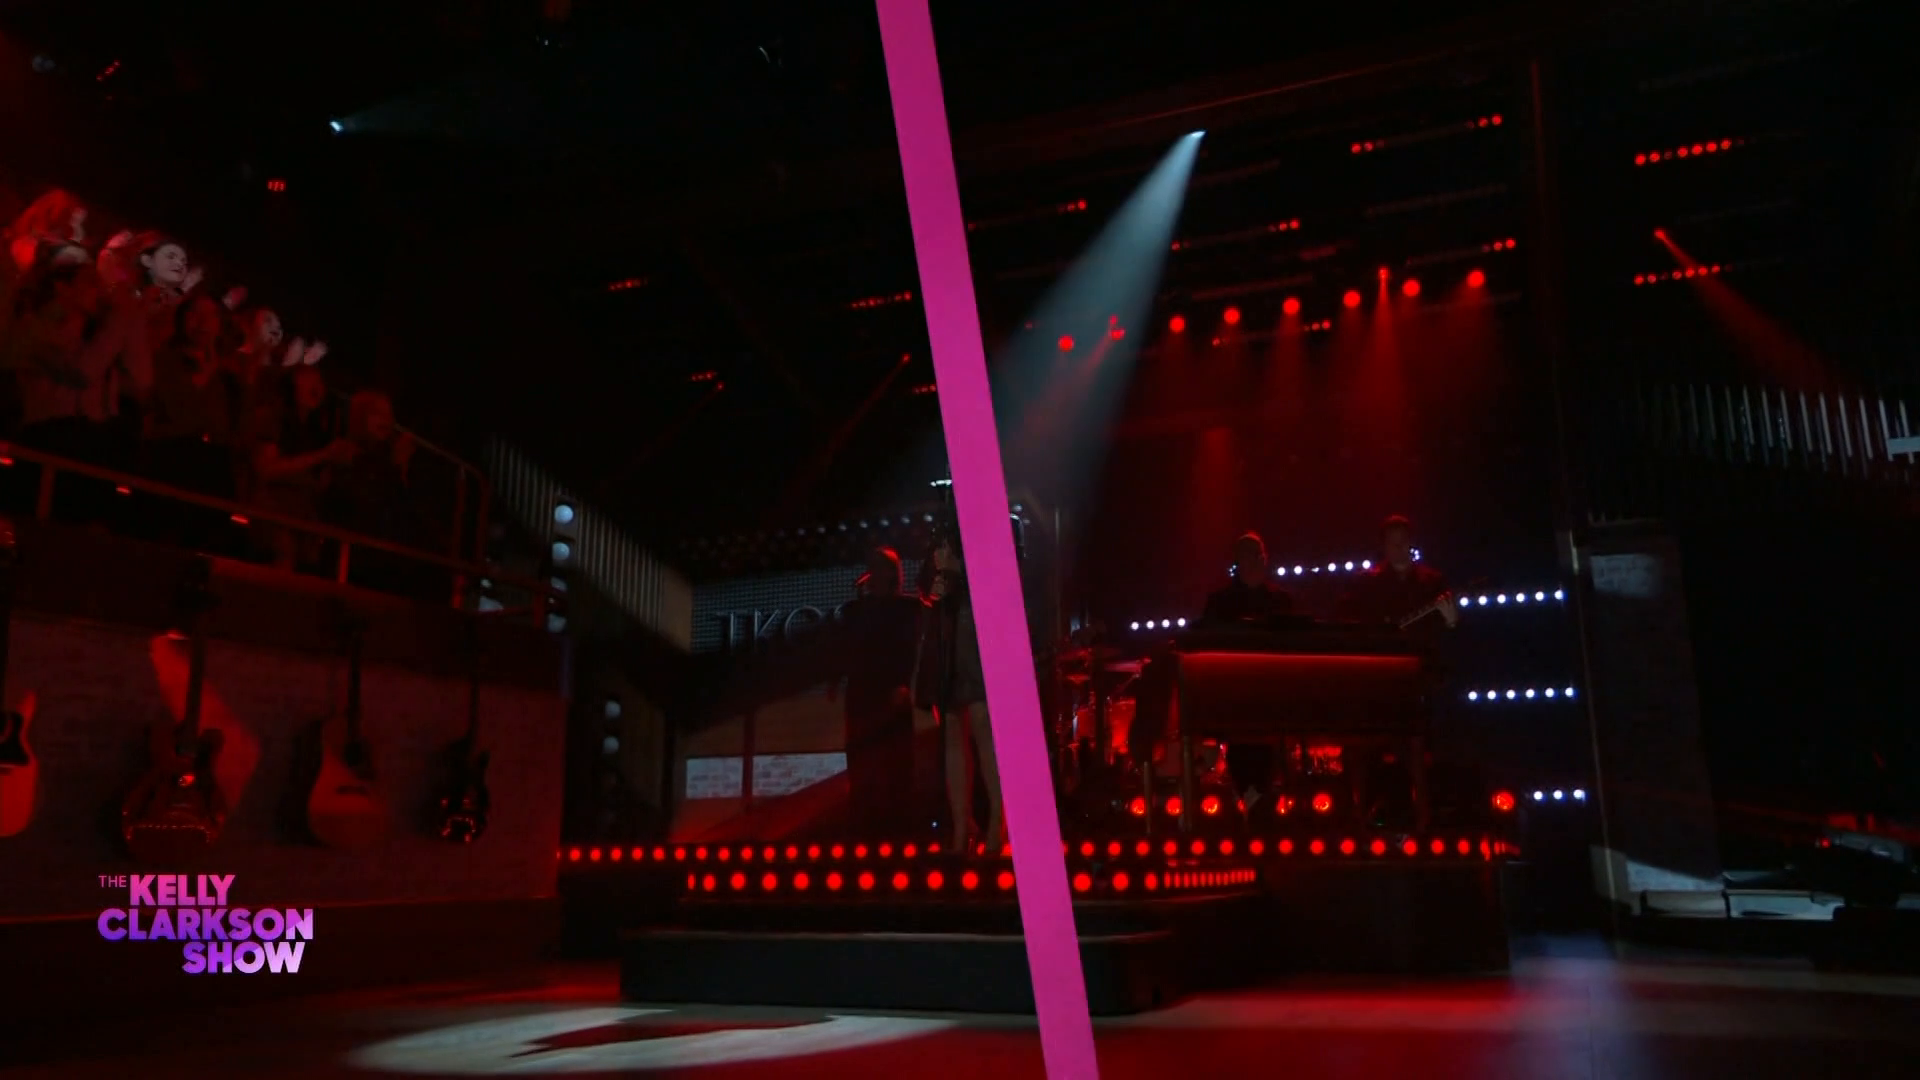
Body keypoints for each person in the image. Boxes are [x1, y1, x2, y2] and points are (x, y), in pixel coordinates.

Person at [830, 548, 928, 839]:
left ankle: (898, 831)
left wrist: (904, 684)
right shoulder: (857, 610)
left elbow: (909, 649)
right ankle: (863, 829)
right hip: (862, 696)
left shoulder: (906, 608)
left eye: (878, 568)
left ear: (891, 574)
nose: (873, 574)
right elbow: (846, 649)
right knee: (862, 766)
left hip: (891, 694)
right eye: (871, 567)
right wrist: (836, 680)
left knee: (896, 766)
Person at [915, 527, 1002, 851]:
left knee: (981, 723)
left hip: (976, 628)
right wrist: (933, 585)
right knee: (952, 728)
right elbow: (926, 583)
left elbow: (1000, 577)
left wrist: (958, 569)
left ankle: (997, 819)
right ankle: (962, 823)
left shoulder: (984, 528)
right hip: (948, 631)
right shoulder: (939, 533)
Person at [248, 366, 351, 569]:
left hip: (304, 514)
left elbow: (317, 481)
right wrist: (323, 455)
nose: (318, 387)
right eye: (308, 379)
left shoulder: (315, 429)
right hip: (276, 511)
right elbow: (266, 469)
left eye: (319, 381)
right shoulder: (272, 417)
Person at [1336, 515, 1457, 639]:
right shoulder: (1365, 582)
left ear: (1411, 543)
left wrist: (1451, 622)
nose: (1398, 546)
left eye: (1403, 540)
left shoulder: (1433, 582)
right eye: (1392, 542)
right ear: (1384, 546)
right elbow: (1346, 622)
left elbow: (1446, 634)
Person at [1201, 532, 1294, 623]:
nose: (1258, 559)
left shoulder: (1281, 600)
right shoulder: (1219, 602)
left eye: (1258, 554)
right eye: (1249, 553)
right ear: (1238, 560)